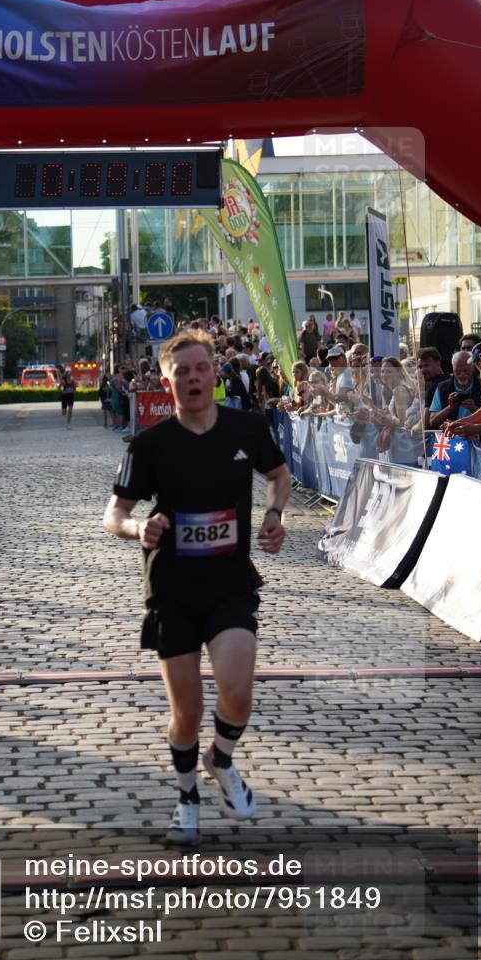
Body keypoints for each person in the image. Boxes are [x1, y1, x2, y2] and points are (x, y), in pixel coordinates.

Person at [103, 328, 290, 844]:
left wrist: (275, 515)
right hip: (172, 590)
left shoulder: (246, 428)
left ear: (214, 374)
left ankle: (220, 759)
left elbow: (279, 475)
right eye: (180, 371)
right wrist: (140, 528)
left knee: (237, 692)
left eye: (200, 368)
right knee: (185, 711)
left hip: (230, 583)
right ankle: (187, 796)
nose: (192, 377)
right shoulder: (150, 445)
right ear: (166, 381)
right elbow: (113, 515)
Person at [429, 350, 481, 431]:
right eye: (458, 371)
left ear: (472, 367)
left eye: (466, 371)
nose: (462, 374)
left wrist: (474, 408)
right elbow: (432, 421)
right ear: (453, 368)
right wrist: (449, 408)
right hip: (450, 440)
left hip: (477, 439)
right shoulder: (442, 388)